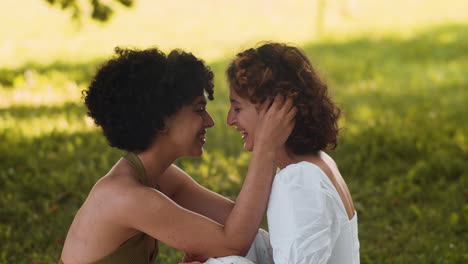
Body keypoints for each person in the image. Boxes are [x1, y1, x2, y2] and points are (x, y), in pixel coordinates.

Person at [59, 47, 296, 264]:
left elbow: (237, 221)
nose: (210, 122)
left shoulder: (160, 177)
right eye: (199, 109)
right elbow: (234, 244)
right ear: (161, 120)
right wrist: (265, 148)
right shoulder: (125, 197)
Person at [225, 42, 360, 263]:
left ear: (273, 108)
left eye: (237, 108)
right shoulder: (315, 163)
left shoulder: (298, 180)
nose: (230, 120)